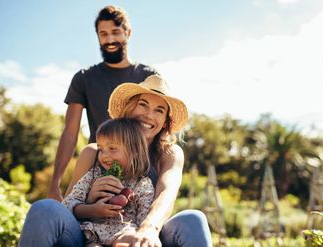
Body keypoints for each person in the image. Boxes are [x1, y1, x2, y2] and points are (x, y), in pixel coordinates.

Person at [19, 74, 213, 247]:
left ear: (166, 122)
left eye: (159, 110)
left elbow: (166, 195)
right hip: (87, 235)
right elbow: (68, 207)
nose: (149, 114)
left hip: (141, 233)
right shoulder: (93, 153)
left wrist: (148, 229)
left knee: (193, 218)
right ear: (129, 109)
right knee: (44, 208)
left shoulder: (169, 153)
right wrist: (90, 200)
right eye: (143, 104)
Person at [48, 5, 158, 201]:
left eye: (115, 32)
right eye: (103, 34)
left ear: (128, 33)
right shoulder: (84, 78)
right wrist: (55, 181)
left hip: (141, 167)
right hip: (99, 167)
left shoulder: (148, 76)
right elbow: (70, 132)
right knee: (75, 215)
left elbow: (158, 124)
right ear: (97, 36)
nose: (109, 40)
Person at [63, 117, 154, 246]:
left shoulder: (142, 184)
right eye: (101, 149)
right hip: (92, 233)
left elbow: (144, 218)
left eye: (112, 148)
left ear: (134, 151)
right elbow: (68, 204)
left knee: (129, 238)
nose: (104, 155)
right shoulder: (93, 176)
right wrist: (92, 209)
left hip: (123, 231)